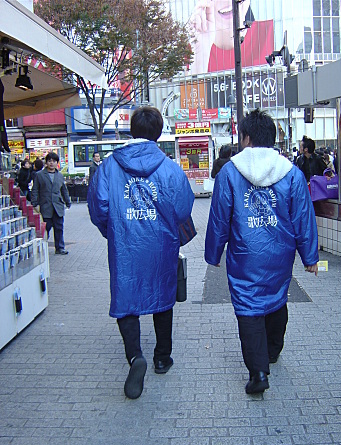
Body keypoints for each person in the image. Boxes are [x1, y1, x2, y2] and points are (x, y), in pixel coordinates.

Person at [205, 109, 319, 395]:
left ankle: (258, 373)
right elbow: (303, 217)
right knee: (278, 296)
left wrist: (213, 254)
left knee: (248, 306)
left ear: (245, 137)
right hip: (281, 252)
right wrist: (310, 258)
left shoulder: (229, 172)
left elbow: (219, 217)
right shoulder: (290, 173)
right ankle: (273, 350)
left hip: (245, 253)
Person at [88, 106, 194, 400]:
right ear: (158, 133)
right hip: (161, 244)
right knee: (163, 297)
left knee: (126, 299)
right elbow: (184, 208)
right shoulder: (170, 167)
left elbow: (99, 207)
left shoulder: (109, 166)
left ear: (132, 129)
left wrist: (115, 232)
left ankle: (136, 357)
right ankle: (162, 357)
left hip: (125, 244)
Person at [189, 0, 274, 74]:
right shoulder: (194, 46)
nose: (229, 1)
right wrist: (199, 58)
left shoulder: (268, 33)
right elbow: (191, 91)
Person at [31, 152, 71, 255]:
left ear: (57, 163)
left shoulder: (60, 175)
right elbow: (35, 189)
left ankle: (60, 248)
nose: (51, 163)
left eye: (53, 161)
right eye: (49, 161)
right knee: (45, 228)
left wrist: (67, 201)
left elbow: (64, 190)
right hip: (46, 206)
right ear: (46, 162)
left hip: (57, 206)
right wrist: (34, 203)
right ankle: (41, 248)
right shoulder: (39, 175)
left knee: (59, 228)